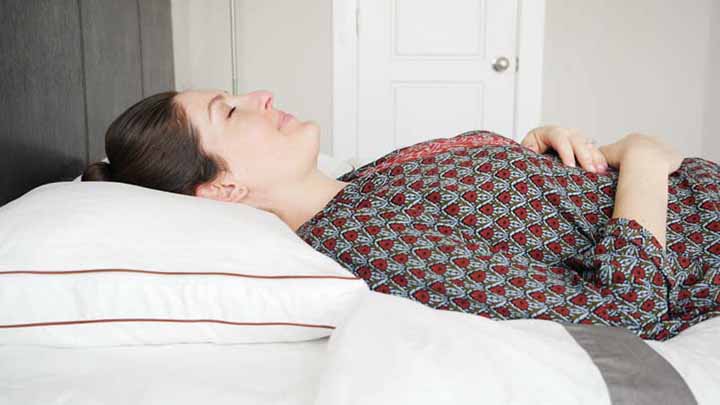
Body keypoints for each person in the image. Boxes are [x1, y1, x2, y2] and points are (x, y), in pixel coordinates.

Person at [83, 89, 720, 341]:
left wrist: (563, 147)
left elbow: (523, 205)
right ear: (222, 189)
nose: (260, 97)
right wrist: (640, 159)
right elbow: (624, 313)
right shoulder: (365, 244)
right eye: (228, 110)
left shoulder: (361, 183)